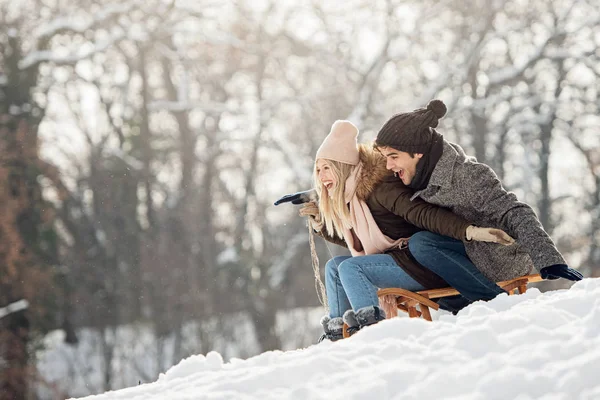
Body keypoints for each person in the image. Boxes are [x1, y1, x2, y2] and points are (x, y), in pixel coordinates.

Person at [286, 120, 514, 341]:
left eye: (327, 168)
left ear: (342, 166)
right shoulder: (350, 197)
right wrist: (320, 224)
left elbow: (422, 214)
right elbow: (363, 242)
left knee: (351, 268)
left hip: (419, 263)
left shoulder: (382, 189)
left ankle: (371, 330)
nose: (322, 176)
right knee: (335, 267)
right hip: (396, 261)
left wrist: (471, 231)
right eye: (318, 170)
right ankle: (336, 333)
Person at [372, 99, 583, 293]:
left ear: (417, 152)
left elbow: (516, 211)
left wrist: (549, 259)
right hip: (462, 256)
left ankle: (491, 300)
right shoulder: (416, 177)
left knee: (423, 243)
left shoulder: (467, 175)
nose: (389, 165)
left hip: (497, 258)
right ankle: (461, 303)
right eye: (385, 158)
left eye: (393, 157)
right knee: (419, 245)